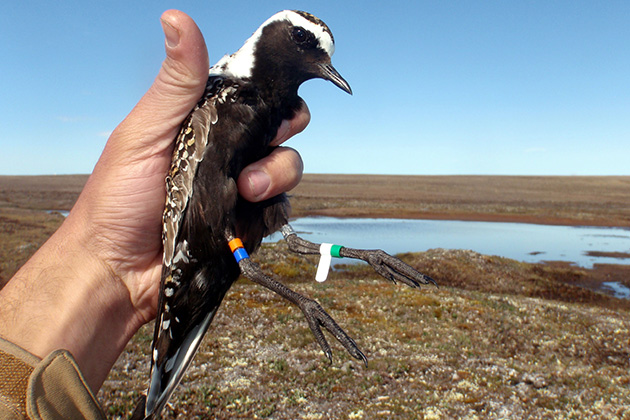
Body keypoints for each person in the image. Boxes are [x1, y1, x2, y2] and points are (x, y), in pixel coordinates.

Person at [0, 10, 307, 419]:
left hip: (190, 250)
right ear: (275, 36)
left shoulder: (254, 100)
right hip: (184, 247)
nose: (321, 63)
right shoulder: (215, 88)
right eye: (307, 44)